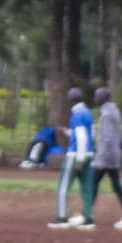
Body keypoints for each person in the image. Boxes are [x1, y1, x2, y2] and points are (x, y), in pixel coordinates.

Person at [50, 87, 96, 229]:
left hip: (75, 155)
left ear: (70, 100)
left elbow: (81, 137)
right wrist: (68, 132)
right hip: (89, 154)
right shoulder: (88, 112)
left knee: (63, 186)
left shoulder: (76, 114)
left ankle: (62, 217)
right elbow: (90, 135)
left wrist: (79, 160)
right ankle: (88, 218)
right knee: (87, 187)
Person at [88, 86, 122, 229]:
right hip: (113, 155)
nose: (95, 98)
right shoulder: (114, 110)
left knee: (93, 184)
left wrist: (100, 159)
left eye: (97, 95)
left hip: (106, 157)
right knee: (116, 186)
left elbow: (107, 138)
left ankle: (87, 215)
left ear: (104, 97)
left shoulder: (107, 114)